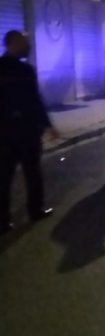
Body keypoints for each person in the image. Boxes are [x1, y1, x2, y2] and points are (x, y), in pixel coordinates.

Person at [0, 30, 58, 234]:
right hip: (21, 132)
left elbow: (35, 100)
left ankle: (5, 220)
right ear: (13, 43)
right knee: (28, 173)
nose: (28, 46)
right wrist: (47, 125)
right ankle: (34, 210)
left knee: (8, 176)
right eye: (25, 42)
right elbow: (34, 100)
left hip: (13, 132)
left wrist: (48, 125)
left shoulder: (22, 69)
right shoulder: (24, 70)